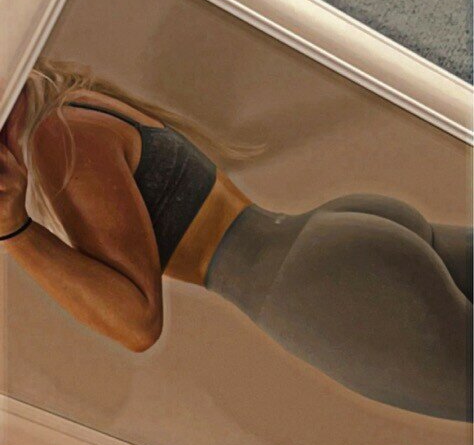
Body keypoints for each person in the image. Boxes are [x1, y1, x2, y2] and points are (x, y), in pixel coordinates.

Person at [1, 59, 472, 421]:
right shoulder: (78, 101)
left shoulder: (57, 136)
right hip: (328, 235)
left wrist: (16, 231)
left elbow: (138, 322)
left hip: (312, 287)